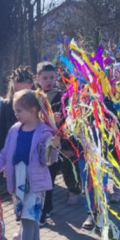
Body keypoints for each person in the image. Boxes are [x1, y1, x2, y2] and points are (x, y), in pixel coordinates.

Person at [0, 90, 60, 240]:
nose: (16, 113)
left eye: (19, 110)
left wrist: (53, 147)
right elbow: (6, 153)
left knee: (28, 219)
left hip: (35, 184)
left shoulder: (44, 131)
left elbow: (47, 160)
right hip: (18, 182)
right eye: (15, 110)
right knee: (28, 218)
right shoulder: (14, 129)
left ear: (32, 110)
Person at [36, 61, 81, 223]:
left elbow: (69, 119)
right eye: (45, 78)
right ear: (38, 78)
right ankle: (43, 206)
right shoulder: (35, 96)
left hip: (58, 140)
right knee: (43, 175)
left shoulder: (63, 97)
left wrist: (60, 128)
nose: (49, 81)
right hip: (39, 142)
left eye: (52, 77)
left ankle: (69, 192)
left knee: (59, 170)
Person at [0, 66, 35, 141]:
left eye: (23, 91)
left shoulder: (39, 104)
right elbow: (0, 133)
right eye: (16, 91)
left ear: (31, 85)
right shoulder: (7, 105)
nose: (19, 95)